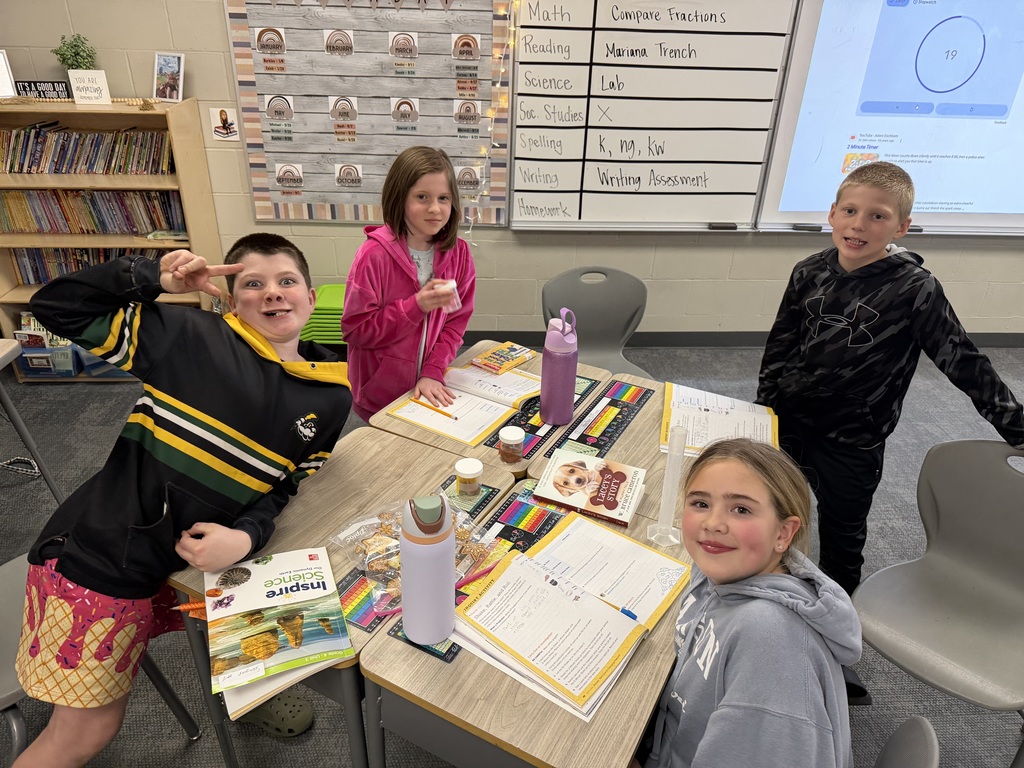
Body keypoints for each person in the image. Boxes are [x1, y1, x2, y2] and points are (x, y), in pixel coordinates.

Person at [14, 234, 352, 767]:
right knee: (86, 733)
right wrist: (151, 280)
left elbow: (286, 485)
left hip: (189, 567)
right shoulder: (188, 335)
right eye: (252, 285)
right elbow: (55, 307)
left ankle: (243, 696)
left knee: (233, 624)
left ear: (311, 298)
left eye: (286, 282)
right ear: (228, 299)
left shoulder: (333, 395)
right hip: (104, 559)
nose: (273, 294)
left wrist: (246, 534)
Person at [757, 161, 1024, 702]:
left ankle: (838, 646)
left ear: (900, 227)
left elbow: (961, 359)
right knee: (775, 517)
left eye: (878, 216)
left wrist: (1015, 424)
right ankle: (768, 612)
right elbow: (781, 343)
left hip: (853, 439)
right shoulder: (808, 270)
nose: (859, 224)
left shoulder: (915, 289)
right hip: (791, 424)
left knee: (843, 537)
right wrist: (763, 412)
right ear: (832, 214)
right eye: (850, 211)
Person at [637, 438, 860, 768]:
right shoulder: (719, 569)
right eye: (700, 503)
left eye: (740, 509)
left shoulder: (770, 647)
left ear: (783, 533)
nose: (713, 523)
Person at [341, 145, 476, 421]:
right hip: (378, 398)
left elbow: (455, 323)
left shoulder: (459, 254)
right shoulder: (373, 256)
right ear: (400, 198)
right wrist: (416, 307)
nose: (435, 209)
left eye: (443, 198)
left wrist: (433, 370)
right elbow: (356, 330)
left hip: (428, 391)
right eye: (422, 197)